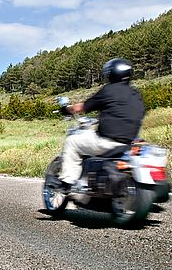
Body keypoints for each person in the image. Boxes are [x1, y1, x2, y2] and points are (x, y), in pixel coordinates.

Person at [58, 58, 146, 192]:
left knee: (72, 142)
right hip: (129, 142)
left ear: (111, 74)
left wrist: (66, 108)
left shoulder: (109, 90)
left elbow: (81, 107)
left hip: (107, 141)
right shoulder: (136, 94)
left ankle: (67, 184)